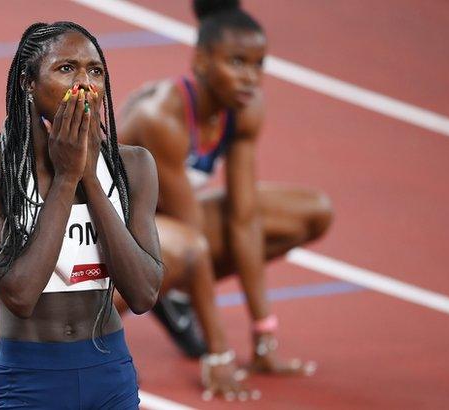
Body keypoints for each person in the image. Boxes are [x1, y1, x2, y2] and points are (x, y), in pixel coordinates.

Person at [115, 0, 333, 399]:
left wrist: (263, 334)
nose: (250, 78)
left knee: (312, 214)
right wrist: (218, 353)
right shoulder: (160, 118)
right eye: (236, 63)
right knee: (183, 250)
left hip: (165, 230)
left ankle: (168, 294)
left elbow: (244, 218)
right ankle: (92, 345)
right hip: (105, 238)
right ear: (200, 60)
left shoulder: (244, 110)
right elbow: (195, 243)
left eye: (258, 64)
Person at [0, 21, 163, 409]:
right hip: (32, 379)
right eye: (66, 68)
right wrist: (66, 178)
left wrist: (91, 179)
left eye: (94, 71)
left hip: (109, 372)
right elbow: (20, 293)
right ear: (27, 83)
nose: (84, 84)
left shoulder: (133, 165)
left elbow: (144, 293)